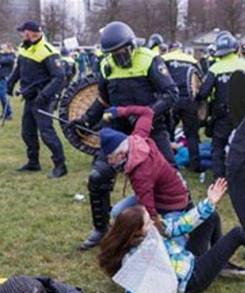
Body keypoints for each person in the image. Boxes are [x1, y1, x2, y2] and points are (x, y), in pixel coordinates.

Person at [74, 21, 179, 250]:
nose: (118, 58)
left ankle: (176, 228)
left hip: (151, 128)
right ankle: (101, 229)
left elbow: (171, 93)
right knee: (97, 177)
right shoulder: (104, 65)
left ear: (131, 46)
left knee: (171, 177)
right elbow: (103, 99)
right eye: (113, 54)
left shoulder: (150, 59)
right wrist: (86, 120)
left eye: (121, 52)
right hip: (118, 131)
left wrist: (148, 114)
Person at [98, 177, 245, 293]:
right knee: (237, 234)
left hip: (188, 260)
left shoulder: (154, 229)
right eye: (147, 222)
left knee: (210, 216)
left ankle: (221, 264)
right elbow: (136, 292)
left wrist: (209, 202)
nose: (152, 221)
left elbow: (181, 224)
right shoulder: (136, 257)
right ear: (136, 232)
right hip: (192, 279)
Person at [7, 21, 68, 179]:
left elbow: (59, 77)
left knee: (47, 133)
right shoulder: (24, 48)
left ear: (33, 33)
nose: (22, 34)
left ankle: (60, 165)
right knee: (27, 132)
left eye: (24, 31)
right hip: (29, 97)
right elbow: (19, 69)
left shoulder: (48, 51)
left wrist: (44, 96)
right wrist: (10, 82)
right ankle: (33, 162)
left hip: (43, 99)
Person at [196, 31, 245, 180]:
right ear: (236, 49)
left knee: (218, 147)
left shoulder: (215, 69)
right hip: (244, 113)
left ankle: (220, 180)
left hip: (222, 114)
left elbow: (203, 93)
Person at [162, 41, 203, 171]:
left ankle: (168, 163)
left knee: (168, 132)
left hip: (171, 100)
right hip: (189, 101)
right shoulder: (192, 60)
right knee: (192, 134)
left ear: (169, 49)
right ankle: (194, 165)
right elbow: (199, 81)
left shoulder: (164, 59)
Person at [0, 43, 16, 120]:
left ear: (8, 48)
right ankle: (5, 112)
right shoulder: (4, 55)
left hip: (4, 79)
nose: (2, 50)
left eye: (4, 48)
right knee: (1, 97)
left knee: (3, 96)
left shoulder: (10, 57)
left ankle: (8, 113)